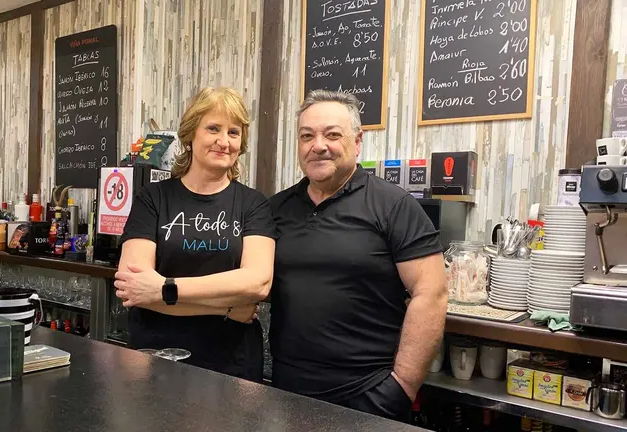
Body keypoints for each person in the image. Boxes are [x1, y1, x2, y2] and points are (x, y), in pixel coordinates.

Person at [268, 89, 448, 420]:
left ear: (357, 142)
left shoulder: (394, 206)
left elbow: (432, 293)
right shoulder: (276, 208)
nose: (318, 145)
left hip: (367, 393)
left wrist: (401, 387)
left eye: (332, 135)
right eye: (307, 136)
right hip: (286, 389)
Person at [114, 87, 277, 382]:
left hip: (231, 364)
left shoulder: (254, 204)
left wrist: (165, 288)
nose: (223, 141)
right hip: (156, 357)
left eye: (233, 132)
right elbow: (134, 288)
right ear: (190, 135)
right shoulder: (152, 198)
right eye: (213, 128)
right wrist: (228, 307)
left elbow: (258, 283)